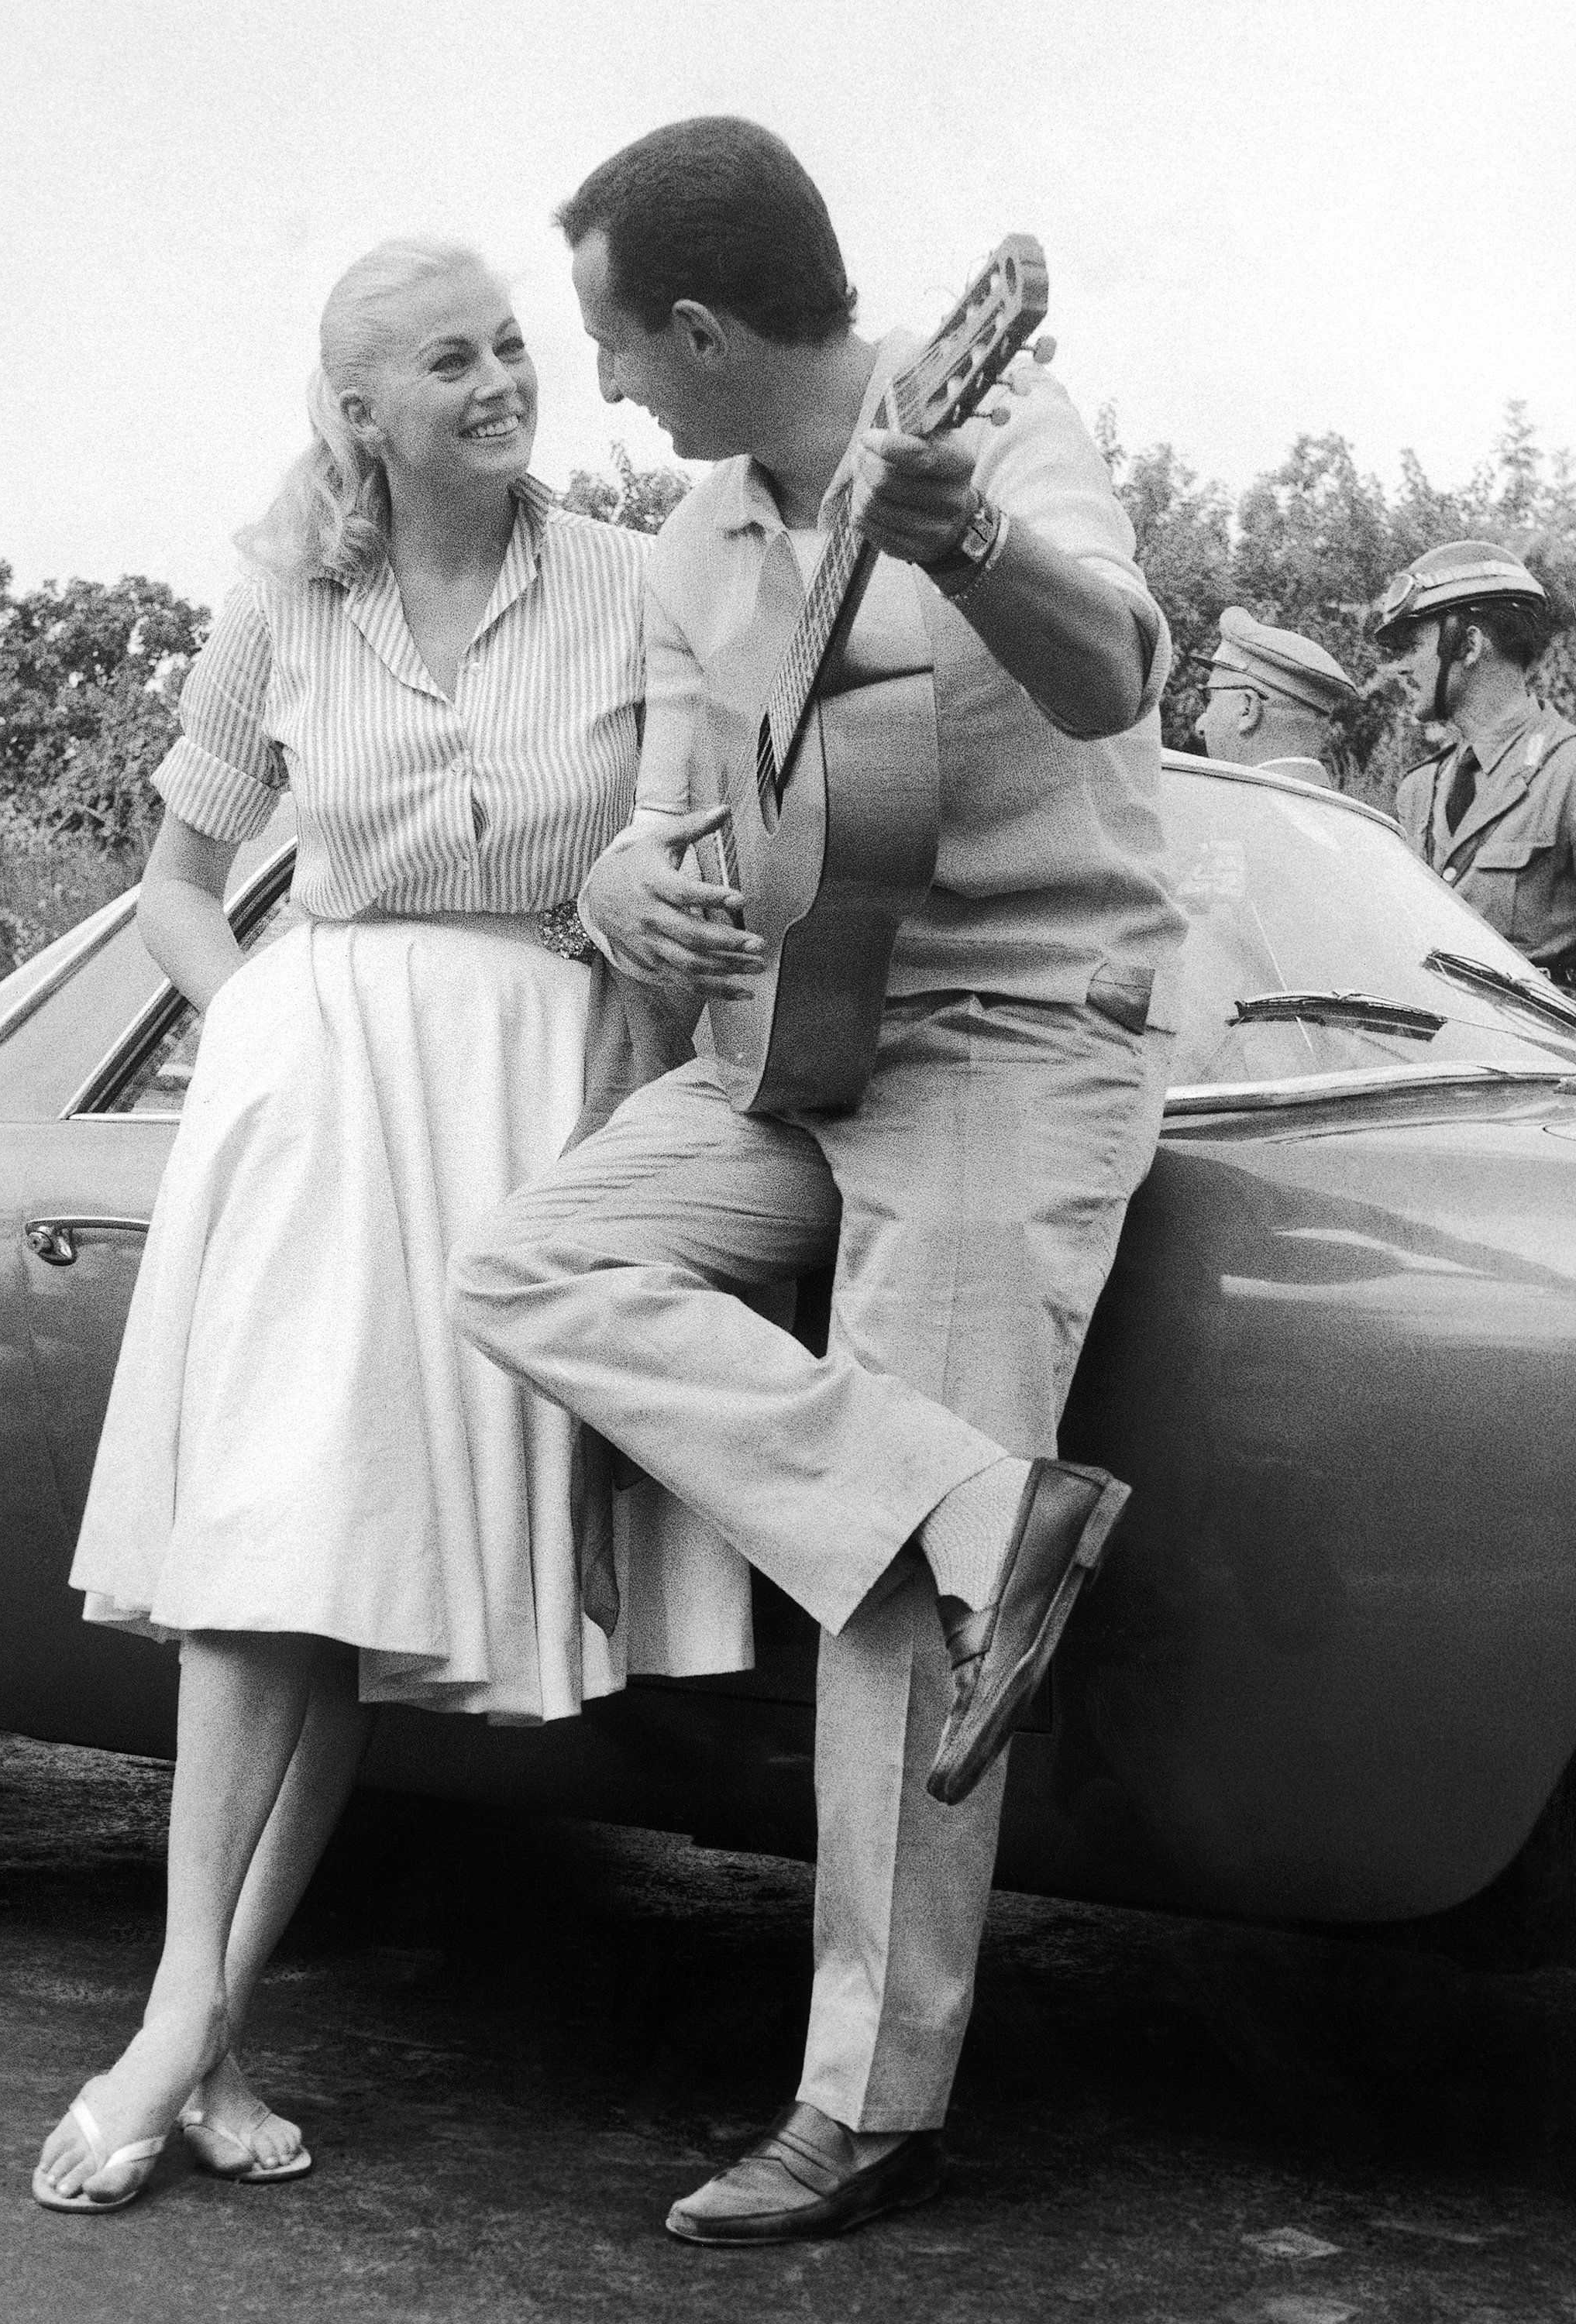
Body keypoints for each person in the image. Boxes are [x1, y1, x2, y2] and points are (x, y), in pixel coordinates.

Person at [448, 117, 1186, 2244]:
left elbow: (1120, 671)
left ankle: (867, 2100)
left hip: (1010, 1032)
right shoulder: (694, 544)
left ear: (701, 328)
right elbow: (686, 814)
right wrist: (626, 888)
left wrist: (972, 541)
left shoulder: (990, 420)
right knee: (531, 1267)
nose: (604, 389)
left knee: (886, 1602)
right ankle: (981, 1512)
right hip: (788, 1048)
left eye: (612, 348)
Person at [33, 237, 745, 2213]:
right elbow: (179, 882)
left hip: (533, 1095)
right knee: (266, 1544)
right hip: (319, 1090)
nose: (505, 379)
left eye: (513, 343)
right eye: (453, 360)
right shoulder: (283, 599)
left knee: (342, 1582)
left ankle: (200, 2032)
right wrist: (256, 1019)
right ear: (362, 410)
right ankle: (181, 2024)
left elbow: (675, 862)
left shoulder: (632, 582)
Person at [1382, 541, 1576, 982]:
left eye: (1412, 647)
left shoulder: (1567, 773)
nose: (1400, 668)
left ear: (1469, 645)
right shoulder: (1419, 790)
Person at [1192, 606, 1357, 786]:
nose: (1200, 726)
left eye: (1209, 699)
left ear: (1248, 709)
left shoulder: (1220, 803)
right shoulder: (1341, 805)